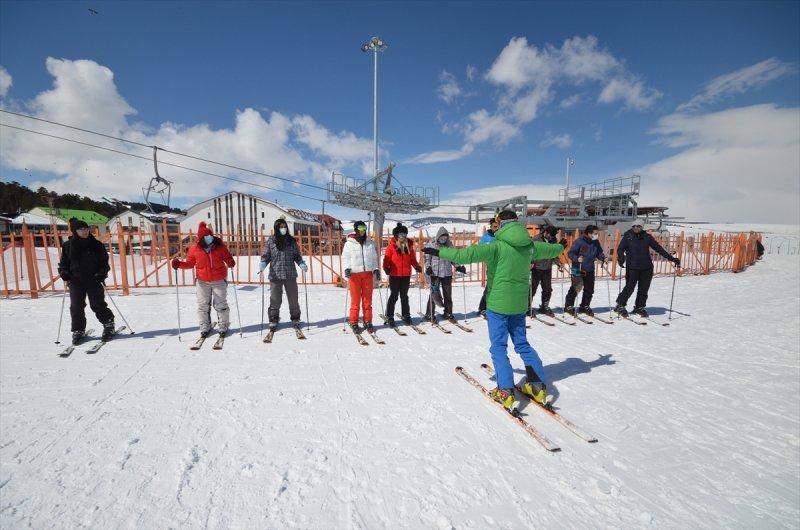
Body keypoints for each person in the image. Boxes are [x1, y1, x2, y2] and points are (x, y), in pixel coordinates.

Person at [424, 210, 567, 410]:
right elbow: (550, 250)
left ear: (501, 224)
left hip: (498, 306)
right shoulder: (530, 247)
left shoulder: (495, 246)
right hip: (519, 305)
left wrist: (438, 252)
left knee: (499, 347)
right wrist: (561, 246)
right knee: (522, 344)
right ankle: (536, 385)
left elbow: (464, 255)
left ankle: (505, 391)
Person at [171, 222, 236, 337]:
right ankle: (204, 326)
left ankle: (223, 324)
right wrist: (179, 264)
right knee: (202, 305)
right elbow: (190, 264)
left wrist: (230, 261)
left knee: (221, 304)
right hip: (202, 281)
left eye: (210, 235)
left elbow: (227, 257)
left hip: (219, 280)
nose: (209, 238)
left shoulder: (219, 246)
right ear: (201, 238)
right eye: (206, 236)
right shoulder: (194, 249)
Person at [57, 218, 115, 344]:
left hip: (93, 279)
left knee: (97, 304)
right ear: (74, 231)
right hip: (75, 280)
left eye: (86, 229)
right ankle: (78, 330)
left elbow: (104, 263)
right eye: (81, 229)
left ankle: (108, 324)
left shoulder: (96, 244)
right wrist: (64, 272)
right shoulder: (68, 246)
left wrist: (101, 274)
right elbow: (64, 263)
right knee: (76, 306)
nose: (84, 231)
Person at [614, 220, 679, 317]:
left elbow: (658, 248)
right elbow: (620, 249)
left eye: (639, 226)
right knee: (629, 287)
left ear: (642, 227)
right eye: (634, 226)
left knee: (644, 288)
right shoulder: (628, 236)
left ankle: (639, 307)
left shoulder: (647, 237)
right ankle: (620, 305)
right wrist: (621, 257)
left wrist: (672, 258)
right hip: (633, 267)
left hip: (646, 267)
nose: (636, 228)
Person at [258, 218, 308, 330]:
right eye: (281, 227)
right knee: (275, 299)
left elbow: (297, 256)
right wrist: (263, 263)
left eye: (284, 226)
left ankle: (295, 318)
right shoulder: (271, 241)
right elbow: (266, 256)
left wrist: (301, 264)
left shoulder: (291, 241)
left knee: (293, 298)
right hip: (275, 275)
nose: (283, 229)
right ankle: (273, 319)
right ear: (276, 228)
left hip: (290, 274)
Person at [341, 220, 380, 332]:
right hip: (354, 275)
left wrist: (376, 269)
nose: (363, 231)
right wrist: (347, 268)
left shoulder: (370, 243)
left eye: (364, 228)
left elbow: (373, 258)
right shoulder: (349, 243)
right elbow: (345, 258)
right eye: (361, 228)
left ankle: (368, 321)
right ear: (356, 229)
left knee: (367, 300)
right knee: (356, 300)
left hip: (367, 274)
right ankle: (353, 321)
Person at [382, 222, 422, 327]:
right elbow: (386, 259)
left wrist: (416, 266)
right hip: (394, 275)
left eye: (404, 235)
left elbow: (412, 259)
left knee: (404, 296)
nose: (403, 237)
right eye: (400, 235)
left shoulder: (408, 246)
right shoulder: (391, 246)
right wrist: (386, 267)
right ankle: (389, 315)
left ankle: (406, 314)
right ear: (396, 236)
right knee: (394, 295)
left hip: (406, 275)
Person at [423, 227, 466, 322]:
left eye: (445, 238)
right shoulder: (432, 244)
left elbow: (453, 258)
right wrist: (428, 267)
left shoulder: (449, 246)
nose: (443, 240)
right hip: (435, 273)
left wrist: (458, 266)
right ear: (438, 237)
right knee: (434, 293)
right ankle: (429, 314)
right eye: (442, 238)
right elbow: (427, 258)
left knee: (447, 294)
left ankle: (448, 312)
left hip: (447, 273)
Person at [564, 225, 607, 316]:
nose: (597, 235)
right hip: (578, 268)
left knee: (589, 289)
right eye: (595, 234)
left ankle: (585, 305)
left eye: (597, 234)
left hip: (590, 268)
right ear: (589, 233)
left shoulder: (595, 242)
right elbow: (570, 253)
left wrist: (603, 258)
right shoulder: (579, 241)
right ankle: (569, 306)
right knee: (576, 287)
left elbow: (599, 252)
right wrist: (577, 258)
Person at [529, 225, 561, 317]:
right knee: (532, 289)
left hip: (547, 268)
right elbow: (530, 252)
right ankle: (527, 307)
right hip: (536, 267)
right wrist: (531, 261)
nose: (551, 237)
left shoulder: (553, 240)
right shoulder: (536, 239)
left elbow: (554, 253)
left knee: (547, 289)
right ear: (545, 232)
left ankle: (545, 306)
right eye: (550, 235)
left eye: (553, 236)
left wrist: (558, 262)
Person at [477, 219, 498, 316]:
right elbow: (480, 250)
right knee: (490, 287)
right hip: (491, 266)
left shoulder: (501, 236)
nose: (496, 228)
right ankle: (483, 307)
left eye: (498, 226)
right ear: (490, 226)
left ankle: (495, 307)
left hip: (502, 265)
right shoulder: (486, 238)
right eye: (494, 226)